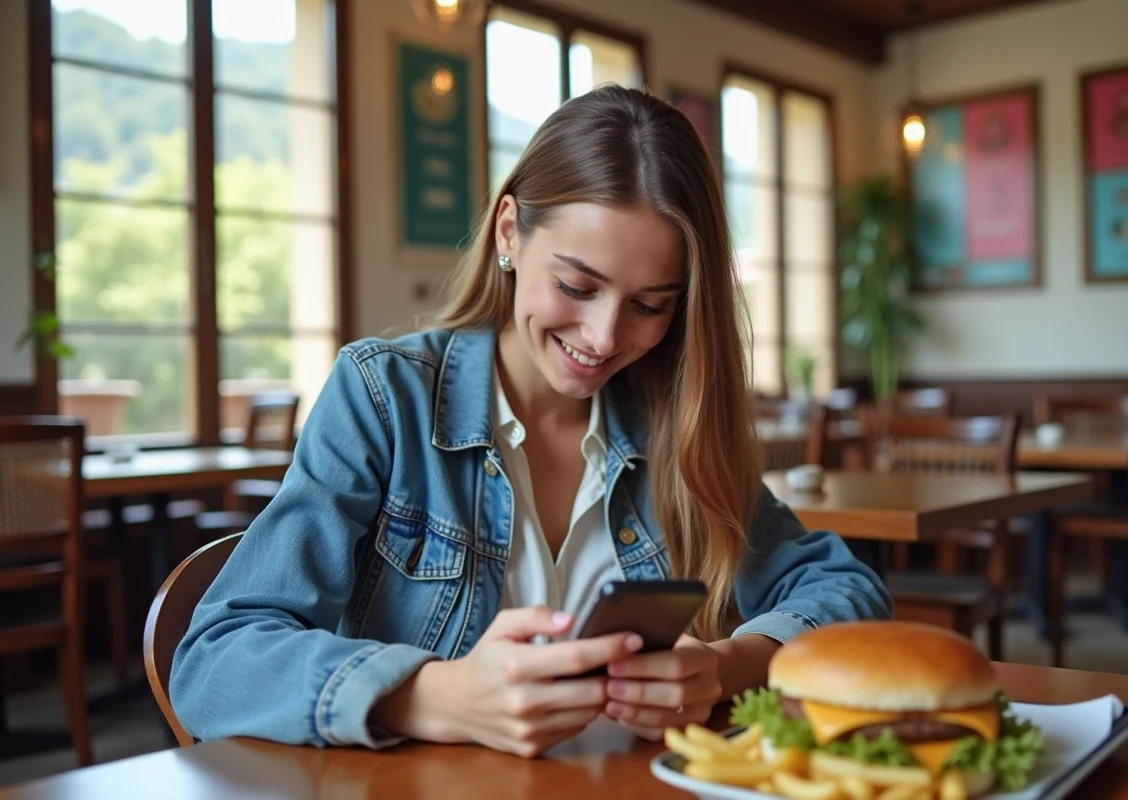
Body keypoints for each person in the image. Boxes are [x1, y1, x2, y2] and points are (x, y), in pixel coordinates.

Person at [171, 85, 890, 758]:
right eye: (577, 285)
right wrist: (430, 698)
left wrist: (727, 665)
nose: (605, 337)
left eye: (650, 305)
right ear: (510, 232)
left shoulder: (676, 424)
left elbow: (847, 591)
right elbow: (215, 661)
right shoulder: (384, 396)